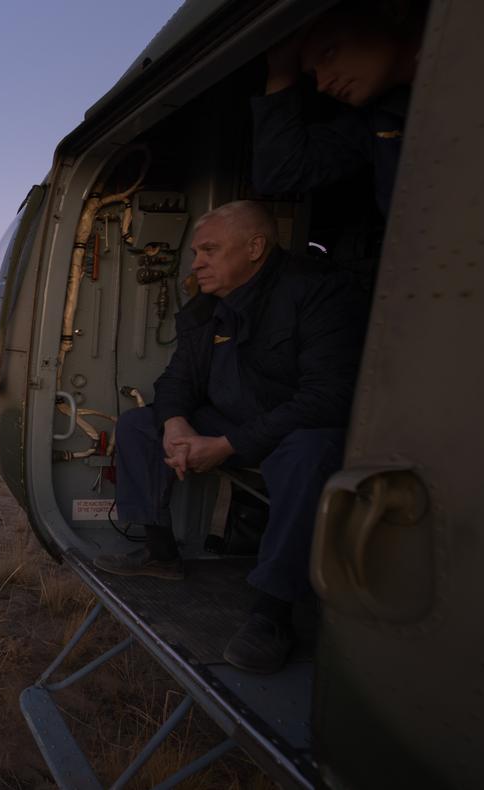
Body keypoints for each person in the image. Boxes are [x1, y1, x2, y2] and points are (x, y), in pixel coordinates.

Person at [94, 201, 366, 674]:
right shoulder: (205, 310)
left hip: (289, 430)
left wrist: (228, 446)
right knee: (141, 423)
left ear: (255, 248)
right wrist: (176, 422)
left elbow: (328, 398)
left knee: (308, 455)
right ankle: (161, 553)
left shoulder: (318, 291)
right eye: (197, 251)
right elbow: (176, 381)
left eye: (210, 250)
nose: (196, 262)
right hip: (229, 422)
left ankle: (273, 613)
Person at [252, 0, 426, 216]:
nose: (323, 84)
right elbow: (280, 174)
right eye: (313, 75)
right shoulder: (376, 120)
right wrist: (281, 73)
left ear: (391, 11)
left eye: (329, 53)